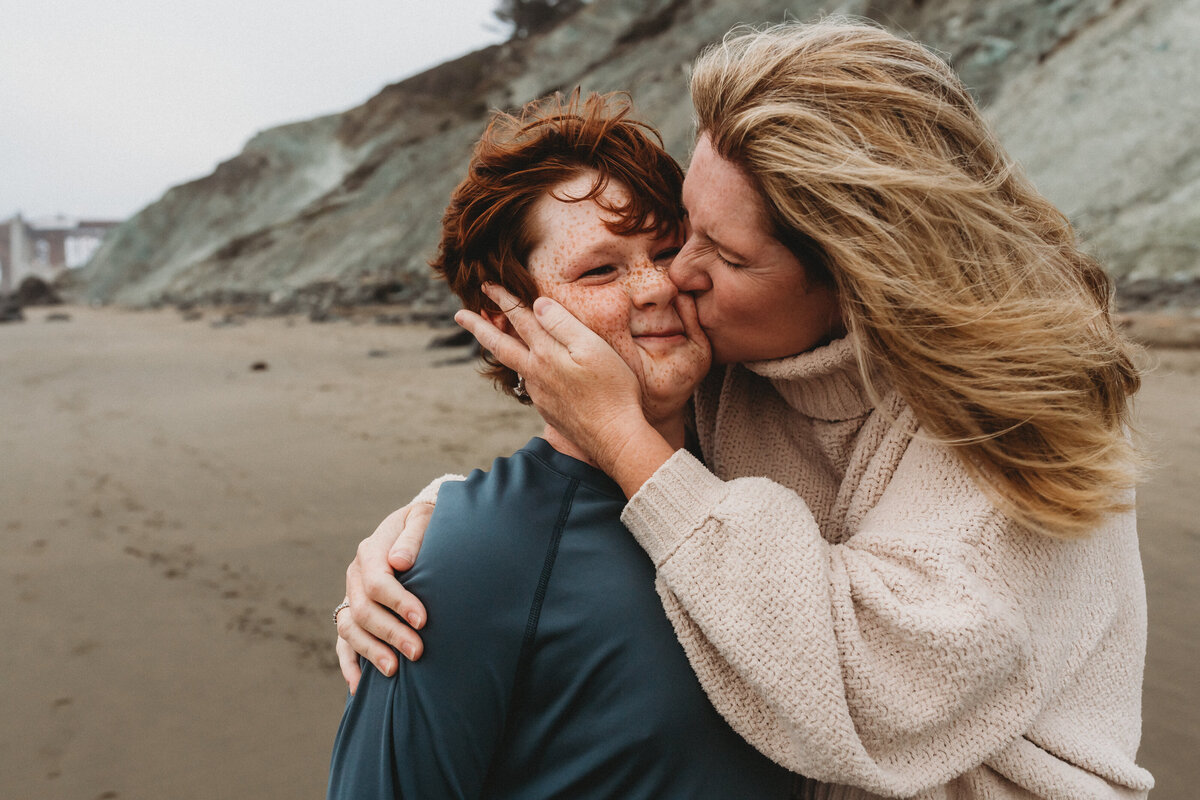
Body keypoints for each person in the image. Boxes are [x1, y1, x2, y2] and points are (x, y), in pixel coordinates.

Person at [336, 19, 1154, 799]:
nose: (673, 276)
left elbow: (876, 690)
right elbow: (575, 483)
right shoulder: (737, 358)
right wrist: (441, 533)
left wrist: (618, 442)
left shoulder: (1019, 408)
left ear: (857, 278)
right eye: (686, 227)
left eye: (720, 254)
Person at [326, 91, 795, 799]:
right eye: (599, 270)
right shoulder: (460, 561)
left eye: (668, 250)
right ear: (504, 323)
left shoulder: (787, 473)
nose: (655, 287)